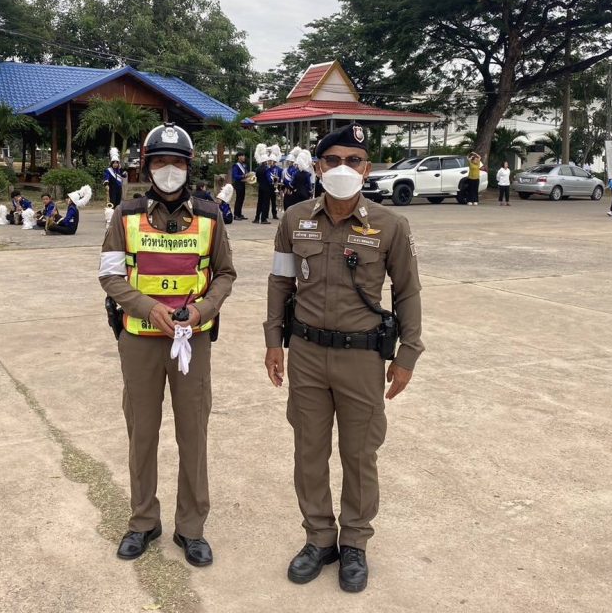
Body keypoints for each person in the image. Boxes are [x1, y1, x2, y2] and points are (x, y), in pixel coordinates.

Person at [263, 122, 423, 594]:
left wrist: (408, 353)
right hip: (307, 354)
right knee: (309, 451)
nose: (343, 168)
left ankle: (354, 541)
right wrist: (273, 341)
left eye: (353, 161)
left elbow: (407, 292)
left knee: (359, 454)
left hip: (362, 357)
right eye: (333, 160)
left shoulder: (390, 225)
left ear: (367, 169)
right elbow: (280, 281)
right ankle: (318, 538)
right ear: (318, 167)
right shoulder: (294, 219)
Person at [99, 122, 236, 568]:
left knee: (193, 433)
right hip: (139, 342)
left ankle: (191, 528)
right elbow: (110, 275)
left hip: (192, 342)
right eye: (160, 161)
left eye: (177, 162)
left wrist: (204, 309)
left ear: (189, 167)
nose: (169, 169)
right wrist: (146, 306)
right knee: (142, 433)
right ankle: (143, 521)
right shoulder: (125, 215)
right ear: (147, 166)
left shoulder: (211, 216)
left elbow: (225, 274)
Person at [253, 143, 275, 224]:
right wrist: (273, 181)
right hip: (266, 188)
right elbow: (269, 179)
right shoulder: (267, 169)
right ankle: (263, 219)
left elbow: (257, 178)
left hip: (260, 187)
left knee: (259, 203)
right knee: (265, 203)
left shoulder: (258, 169)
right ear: (265, 161)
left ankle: (256, 218)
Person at [231, 153, 249, 220]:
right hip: (238, 184)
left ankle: (239, 214)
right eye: (242, 156)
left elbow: (246, 173)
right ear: (239, 157)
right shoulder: (236, 166)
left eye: (244, 156)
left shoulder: (244, 165)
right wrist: (243, 176)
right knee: (238, 199)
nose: (244, 157)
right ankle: (236, 215)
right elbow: (235, 176)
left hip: (243, 183)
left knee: (242, 199)